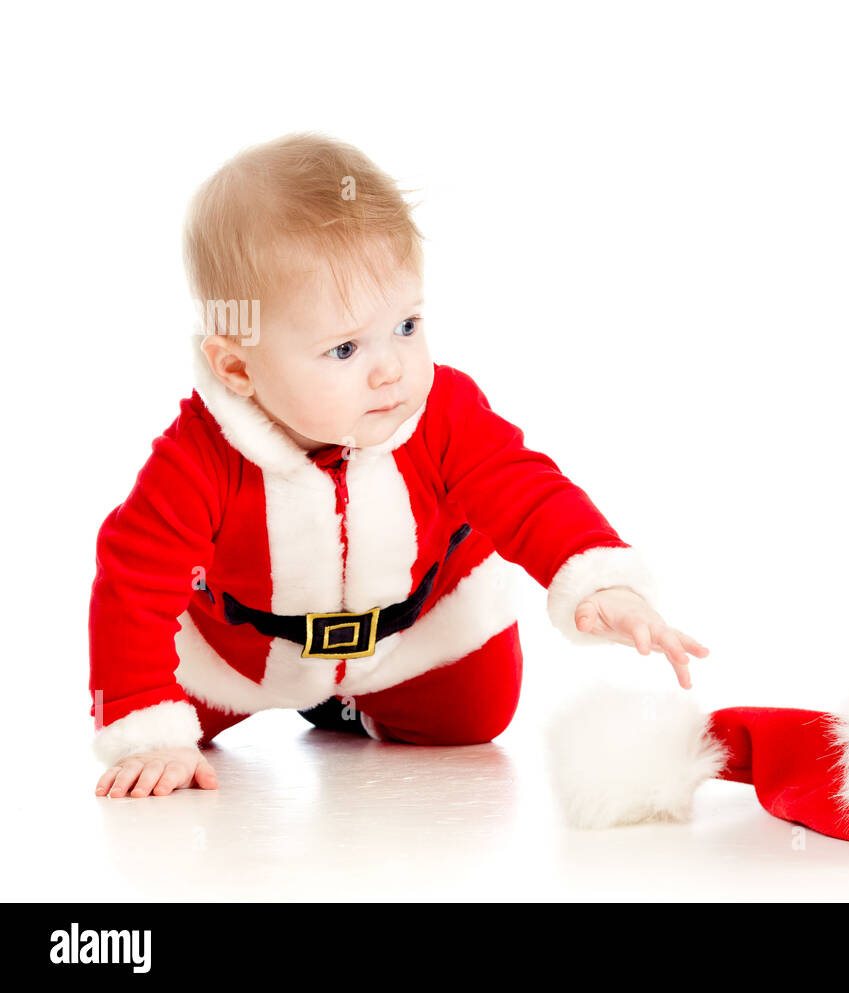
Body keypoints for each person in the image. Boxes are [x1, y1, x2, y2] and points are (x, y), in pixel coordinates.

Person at [90, 132, 707, 799]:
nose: (391, 367)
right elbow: (135, 574)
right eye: (345, 348)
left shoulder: (442, 412)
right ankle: (234, 708)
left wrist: (595, 577)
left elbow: (525, 489)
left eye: (407, 325)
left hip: (412, 630)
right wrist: (146, 726)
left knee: (478, 715)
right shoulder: (200, 456)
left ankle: (354, 703)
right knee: (166, 713)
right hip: (240, 653)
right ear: (238, 367)